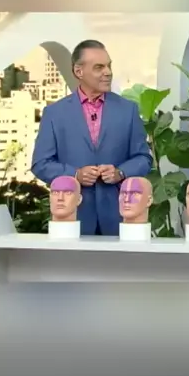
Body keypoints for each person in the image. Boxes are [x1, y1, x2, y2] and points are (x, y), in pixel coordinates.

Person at [31, 40, 152, 235]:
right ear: (79, 71)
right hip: (73, 217)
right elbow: (41, 164)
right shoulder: (54, 113)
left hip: (118, 216)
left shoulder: (128, 110)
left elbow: (143, 158)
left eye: (109, 66)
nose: (108, 72)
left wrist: (120, 173)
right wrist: (75, 174)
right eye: (99, 67)